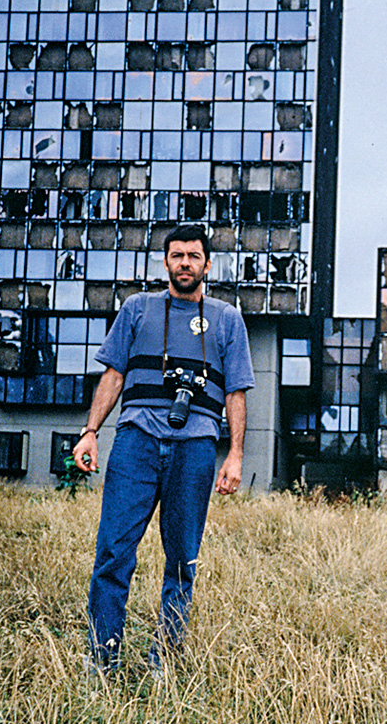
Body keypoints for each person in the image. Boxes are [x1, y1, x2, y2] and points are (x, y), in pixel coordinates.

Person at [73, 223, 254, 673]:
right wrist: (91, 431)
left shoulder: (228, 319)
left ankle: (165, 665)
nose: (185, 263)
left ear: (207, 264)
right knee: (114, 552)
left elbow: (236, 393)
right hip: (136, 442)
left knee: (182, 561)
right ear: (166, 262)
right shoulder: (137, 309)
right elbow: (113, 375)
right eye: (177, 256)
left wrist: (234, 456)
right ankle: (103, 660)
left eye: (194, 256)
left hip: (195, 447)